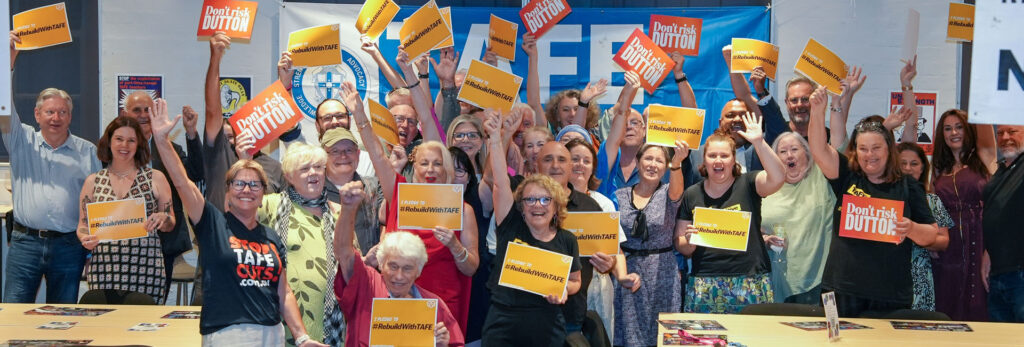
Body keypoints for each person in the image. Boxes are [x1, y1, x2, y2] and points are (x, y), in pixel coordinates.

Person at [149, 99, 326, 346]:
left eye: (254, 184)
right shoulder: (211, 223)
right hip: (227, 334)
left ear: (263, 192)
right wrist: (161, 140)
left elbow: (283, 292)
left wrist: (301, 336)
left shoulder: (271, 236)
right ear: (228, 191)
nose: (246, 189)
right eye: (239, 183)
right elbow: (182, 182)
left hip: (271, 333)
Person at [341, 81, 479, 331]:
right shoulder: (400, 194)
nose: (430, 170)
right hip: (397, 301)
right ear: (414, 168)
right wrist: (360, 115)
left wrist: (454, 246)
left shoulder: (463, 209)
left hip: (443, 306)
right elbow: (377, 155)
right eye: (424, 163)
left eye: (437, 164)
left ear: (446, 169)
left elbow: (471, 268)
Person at [806, 85, 940, 317]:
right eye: (863, 149)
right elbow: (818, 149)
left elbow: (931, 235)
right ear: (856, 151)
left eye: (876, 147)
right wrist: (817, 112)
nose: (870, 155)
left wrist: (912, 228)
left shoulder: (909, 186)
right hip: (839, 291)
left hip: (891, 295)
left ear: (889, 148)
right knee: (835, 343)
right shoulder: (847, 174)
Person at [2, 32, 103, 303]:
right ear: (37, 115)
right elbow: (3, 108)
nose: (55, 117)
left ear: (70, 116)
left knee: (64, 320)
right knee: (13, 316)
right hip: (25, 244)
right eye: (49, 112)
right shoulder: (21, 141)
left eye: (62, 112)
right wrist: (7, 62)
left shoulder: (88, 151)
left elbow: (97, 203)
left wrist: (94, 248)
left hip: (69, 247)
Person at [482, 112, 582, 345]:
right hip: (504, 323)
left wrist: (566, 288)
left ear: (556, 206)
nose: (538, 205)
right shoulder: (510, 226)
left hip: (547, 326)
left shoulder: (567, 240)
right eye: (530, 200)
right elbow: (498, 181)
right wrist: (496, 138)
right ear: (521, 206)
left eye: (545, 200)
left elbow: (576, 280)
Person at [675, 113, 786, 314]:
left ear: (733, 159)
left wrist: (759, 143)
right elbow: (681, 245)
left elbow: (778, 177)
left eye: (724, 155)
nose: (718, 160)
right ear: (704, 159)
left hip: (751, 281)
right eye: (712, 155)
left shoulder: (749, 183)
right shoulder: (692, 193)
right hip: (705, 283)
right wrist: (689, 241)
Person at [332, 182, 464, 347]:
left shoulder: (433, 305)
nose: (399, 276)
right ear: (381, 264)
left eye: (407, 268)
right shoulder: (366, 285)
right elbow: (343, 252)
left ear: (418, 271)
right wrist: (348, 209)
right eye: (393, 266)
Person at [252, 142, 346, 346]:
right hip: (280, 317)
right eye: (304, 168)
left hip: (332, 321)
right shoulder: (269, 204)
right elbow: (231, 210)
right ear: (288, 176)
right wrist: (245, 161)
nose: (313, 172)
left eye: (318, 167)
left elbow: (351, 261)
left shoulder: (340, 211)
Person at [76, 116, 175, 303]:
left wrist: (164, 218)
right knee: (104, 329)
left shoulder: (156, 178)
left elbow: (171, 221)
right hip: (103, 270)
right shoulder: (93, 181)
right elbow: (82, 225)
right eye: (119, 139)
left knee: (143, 328)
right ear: (109, 141)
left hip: (146, 269)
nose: (125, 145)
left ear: (139, 145)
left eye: (131, 140)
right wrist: (84, 238)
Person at [119, 90, 205, 302]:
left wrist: (191, 133)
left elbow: (197, 173)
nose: (143, 115)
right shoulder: (112, 151)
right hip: (120, 243)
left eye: (148, 110)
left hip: (161, 243)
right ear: (124, 113)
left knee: (152, 307)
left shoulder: (170, 149)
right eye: (136, 110)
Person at [614, 141, 688, 346]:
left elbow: (677, 191)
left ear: (666, 167)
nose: (653, 164)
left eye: (659, 161)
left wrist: (677, 163)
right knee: (627, 331)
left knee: (663, 333)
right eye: (648, 158)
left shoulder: (668, 193)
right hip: (627, 272)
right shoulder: (618, 196)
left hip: (662, 274)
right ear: (637, 162)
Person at [928, 109, 998, 321]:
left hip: (980, 239)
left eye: (959, 127)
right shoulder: (939, 168)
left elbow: (984, 123)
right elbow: (934, 206)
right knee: (947, 302)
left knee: (980, 302)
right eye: (948, 129)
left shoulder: (984, 158)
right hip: (949, 246)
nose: (953, 133)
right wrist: (933, 239)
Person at [204, 31, 284, 211]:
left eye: (255, 122)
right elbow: (212, 110)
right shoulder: (220, 153)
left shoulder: (275, 168)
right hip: (221, 236)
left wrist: (284, 83)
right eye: (244, 121)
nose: (251, 128)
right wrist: (215, 59)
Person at [564, 138, 630, 343]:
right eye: (574, 159)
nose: (580, 165)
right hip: (564, 288)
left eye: (586, 160)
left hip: (597, 287)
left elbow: (615, 251)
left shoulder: (604, 203)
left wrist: (618, 272)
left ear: (593, 167)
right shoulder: (549, 200)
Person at [760, 132, 835, 304]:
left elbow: (836, 145)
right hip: (775, 281)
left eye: (795, 149)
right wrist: (764, 239)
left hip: (819, 283)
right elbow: (750, 227)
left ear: (807, 154)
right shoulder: (764, 184)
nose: (789, 155)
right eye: (783, 151)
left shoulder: (822, 176)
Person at [276, 51, 376, 178]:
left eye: (340, 116)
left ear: (350, 120)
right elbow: (288, 127)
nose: (335, 122)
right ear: (317, 125)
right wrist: (285, 84)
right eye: (327, 118)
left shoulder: (368, 160)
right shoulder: (308, 158)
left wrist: (359, 113)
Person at [897, 142, 953, 311]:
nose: (908, 168)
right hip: (886, 274)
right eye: (902, 163)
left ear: (922, 168)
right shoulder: (884, 197)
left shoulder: (932, 201)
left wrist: (920, 237)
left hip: (919, 277)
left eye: (914, 164)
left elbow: (943, 241)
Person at [982, 125, 1024, 322]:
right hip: (998, 272)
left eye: (1012, 131)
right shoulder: (1001, 170)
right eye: (1000, 133)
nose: (1005, 137)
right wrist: (988, 252)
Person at [320, 127, 384, 254]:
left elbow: (387, 218)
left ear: (358, 154)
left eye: (349, 150)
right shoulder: (314, 191)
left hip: (370, 271)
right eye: (335, 151)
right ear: (323, 157)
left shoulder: (374, 185)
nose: (343, 156)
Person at [447, 115, 487, 180]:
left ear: (482, 141)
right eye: (459, 135)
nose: (465, 140)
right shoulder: (442, 172)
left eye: (472, 135)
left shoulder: (491, 175)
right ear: (450, 140)